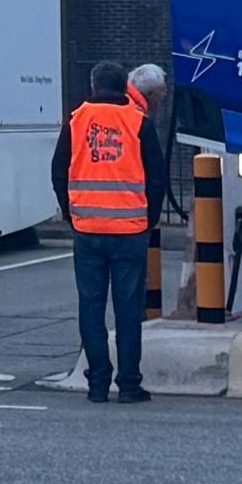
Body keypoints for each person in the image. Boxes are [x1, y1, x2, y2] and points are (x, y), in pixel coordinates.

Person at [53, 58, 155, 402]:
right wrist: (148, 218)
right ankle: (129, 384)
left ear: (93, 85)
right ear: (125, 86)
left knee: (91, 307)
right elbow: (156, 177)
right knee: (128, 311)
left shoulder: (77, 121)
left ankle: (97, 383)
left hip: (88, 228)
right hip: (130, 229)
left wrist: (71, 214)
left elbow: (58, 170)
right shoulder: (138, 122)